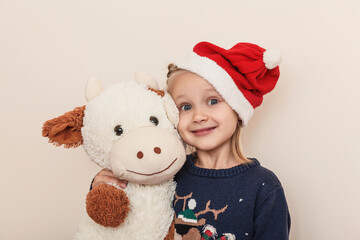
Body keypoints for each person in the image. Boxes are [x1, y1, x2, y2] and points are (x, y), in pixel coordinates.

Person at [91, 41, 290, 239]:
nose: (199, 116)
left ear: (236, 109)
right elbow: (128, 218)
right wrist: (102, 187)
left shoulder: (263, 186)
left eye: (213, 101)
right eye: (185, 107)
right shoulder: (164, 172)